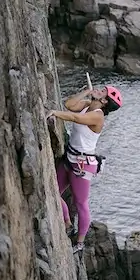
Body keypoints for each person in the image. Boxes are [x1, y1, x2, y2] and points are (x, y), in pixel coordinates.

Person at [46, 84, 123, 253]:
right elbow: (69, 105)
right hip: (69, 158)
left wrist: (55, 113)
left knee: (81, 203)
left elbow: (74, 118)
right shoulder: (87, 104)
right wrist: (87, 92)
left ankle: (80, 243)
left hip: (82, 165)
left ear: (104, 101)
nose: (99, 89)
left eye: (103, 91)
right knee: (51, 192)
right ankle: (67, 222)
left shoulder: (98, 117)